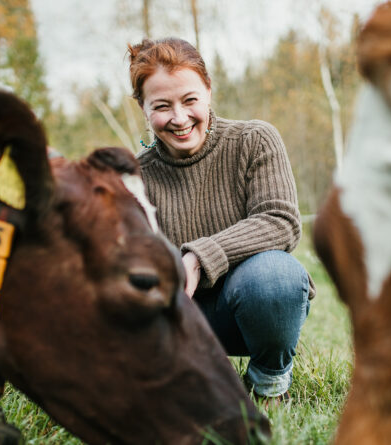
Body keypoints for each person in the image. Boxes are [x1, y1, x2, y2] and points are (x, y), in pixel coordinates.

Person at [127, 37, 315, 401]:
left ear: (209, 91)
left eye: (190, 100)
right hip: (178, 319)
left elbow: (281, 220)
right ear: (143, 108)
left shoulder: (254, 140)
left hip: (254, 304)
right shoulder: (135, 176)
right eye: (162, 106)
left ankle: (268, 382)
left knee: (277, 275)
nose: (179, 118)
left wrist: (198, 257)